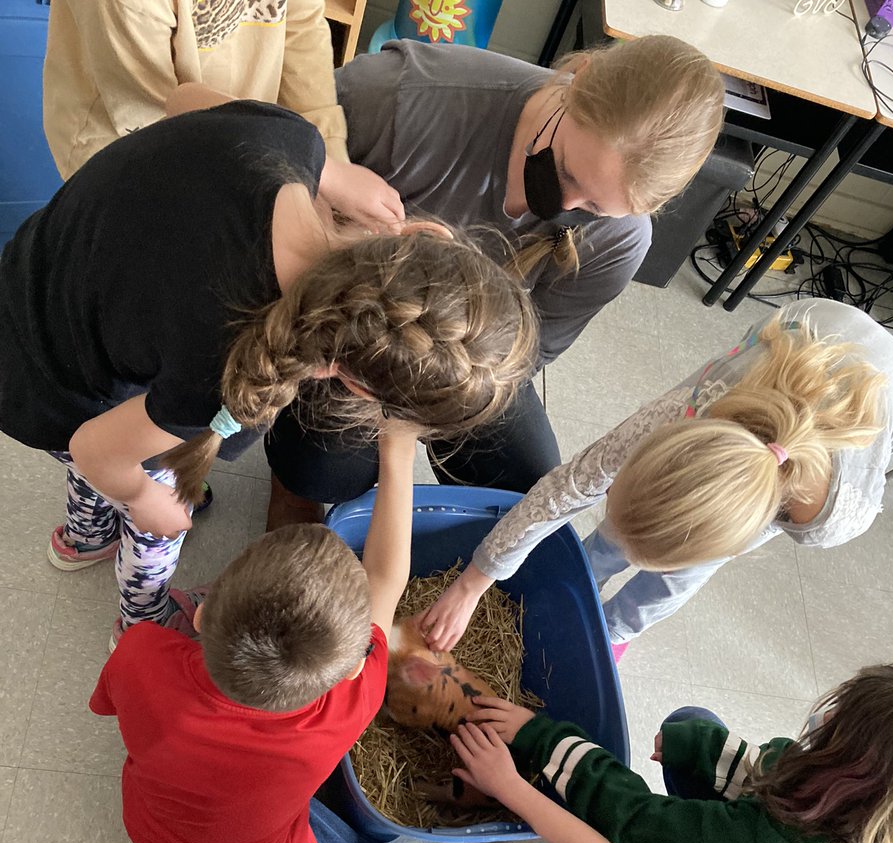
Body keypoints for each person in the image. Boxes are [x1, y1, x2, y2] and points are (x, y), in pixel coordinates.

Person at [0, 100, 536, 646]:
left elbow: (187, 95)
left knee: (104, 459)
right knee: (157, 508)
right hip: (47, 389)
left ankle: (84, 538)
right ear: (350, 382)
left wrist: (330, 170)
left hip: (36, 274)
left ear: (420, 233)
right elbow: (95, 449)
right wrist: (142, 497)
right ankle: (141, 623)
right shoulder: (221, 371)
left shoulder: (292, 140)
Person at [262, 34, 726, 526]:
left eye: (594, 208)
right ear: (578, 79)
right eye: (567, 171)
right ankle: (292, 484)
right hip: (353, 318)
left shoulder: (620, 241)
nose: (563, 205)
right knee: (326, 469)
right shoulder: (398, 98)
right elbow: (261, 170)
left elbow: (530, 352)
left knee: (525, 487)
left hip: (473, 352)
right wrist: (336, 224)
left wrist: (431, 396)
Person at [418, 297, 893, 660]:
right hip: (806, 325)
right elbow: (571, 486)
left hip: (876, 388)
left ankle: (613, 630)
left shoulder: (826, 517)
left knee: (680, 570)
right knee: (630, 534)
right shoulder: (680, 412)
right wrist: (475, 580)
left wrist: (619, 625)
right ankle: (581, 574)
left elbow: (692, 562)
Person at [86, 420, 418, 843]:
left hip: (151, 823)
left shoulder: (139, 652)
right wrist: (398, 447)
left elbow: (110, 704)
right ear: (352, 669)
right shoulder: (351, 704)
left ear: (201, 614)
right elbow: (387, 578)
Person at [450, 662, 893, 843]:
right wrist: (699, 745)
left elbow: (633, 821)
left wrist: (541, 738)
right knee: (691, 721)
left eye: (836, 726)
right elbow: (779, 768)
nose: (825, 718)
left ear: (845, 778)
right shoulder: (876, 825)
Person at [42, 0, 403, 231]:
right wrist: (322, 171)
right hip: (127, 141)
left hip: (248, 134)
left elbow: (301, 25)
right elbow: (160, 114)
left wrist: (327, 155)